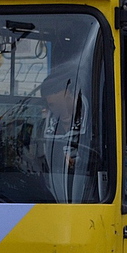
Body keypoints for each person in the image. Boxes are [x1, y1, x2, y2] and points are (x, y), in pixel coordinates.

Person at [37, 62, 91, 201]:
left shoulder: (96, 121)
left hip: (89, 195)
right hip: (54, 196)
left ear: (75, 94)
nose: (64, 111)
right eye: (54, 106)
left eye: (68, 102)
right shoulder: (45, 127)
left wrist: (79, 161)